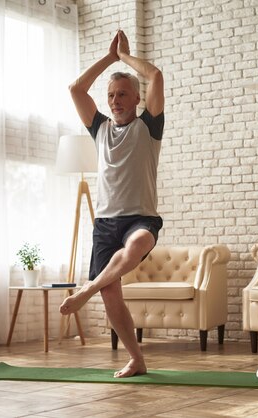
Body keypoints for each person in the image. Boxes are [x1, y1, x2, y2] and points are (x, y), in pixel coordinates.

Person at [59, 30, 164, 378]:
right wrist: (109, 58)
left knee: (136, 246)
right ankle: (137, 358)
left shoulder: (149, 127)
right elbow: (76, 89)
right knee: (112, 296)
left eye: (122, 94)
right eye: (110, 95)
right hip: (105, 223)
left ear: (136, 97)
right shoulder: (100, 128)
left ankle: (87, 288)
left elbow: (156, 76)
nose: (115, 99)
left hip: (141, 219)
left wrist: (126, 58)